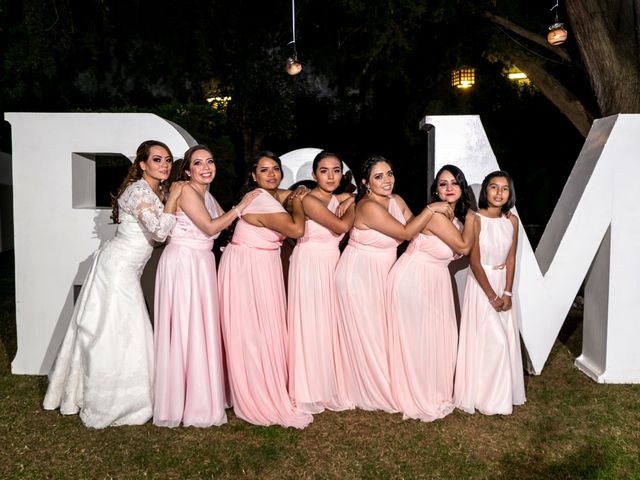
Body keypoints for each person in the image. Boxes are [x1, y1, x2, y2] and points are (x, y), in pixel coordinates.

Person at [43, 140, 184, 428]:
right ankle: (114, 398)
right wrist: (173, 200)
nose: (165, 165)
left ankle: (137, 393)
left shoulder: (157, 190)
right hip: (117, 267)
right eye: (157, 160)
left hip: (128, 268)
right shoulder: (137, 192)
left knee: (125, 328)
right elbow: (158, 233)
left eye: (168, 160)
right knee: (117, 331)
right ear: (142, 164)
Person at [334, 155, 451, 412]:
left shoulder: (396, 200)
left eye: (389, 174)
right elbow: (406, 233)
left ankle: (395, 383)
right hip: (359, 274)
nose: (387, 180)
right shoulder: (368, 207)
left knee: (384, 331)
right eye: (379, 176)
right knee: (370, 334)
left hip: (383, 270)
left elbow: (415, 227)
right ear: (366, 182)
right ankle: (377, 391)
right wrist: (431, 209)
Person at [153, 145, 259, 428]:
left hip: (200, 263)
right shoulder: (187, 190)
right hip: (184, 263)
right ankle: (187, 400)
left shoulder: (206, 194)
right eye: (198, 163)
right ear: (187, 170)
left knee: (199, 327)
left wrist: (274, 200)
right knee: (188, 327)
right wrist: (242, 204)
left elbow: (228, 222)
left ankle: (201, 391)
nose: (206, 167)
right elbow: (213, 227)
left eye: (210, 161)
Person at [218, 150, 313, 428]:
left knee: (263, 329)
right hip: (247, 268)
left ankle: (260, 383)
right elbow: (296, 230)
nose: (271, 174)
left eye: (275, 169)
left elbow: (285, 194)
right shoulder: (259, 200)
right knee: (251, 333)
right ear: (253, 176)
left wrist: (298, 191)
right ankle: (257, 393)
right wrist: (297, 202)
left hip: (261, 264)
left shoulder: (269, 195)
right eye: (264, 170)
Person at [387, 165, 475, 422]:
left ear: (461, 187)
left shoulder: (452, 218)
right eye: (443, 184)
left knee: (438, 335)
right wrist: (472, 217)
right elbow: (463, 246)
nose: (448, 189)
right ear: (435, 189)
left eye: (454, 183)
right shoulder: (437, 216)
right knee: (419, 338)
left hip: (435, 280)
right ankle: (418, 393)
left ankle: (434, 388)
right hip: (414, 278)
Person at [288, 151, 355, 414]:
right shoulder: (309, 199)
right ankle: (310, 388)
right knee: (311, 323)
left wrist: (352, 199)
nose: (330, 176)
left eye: (336, 170)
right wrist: (354, 207)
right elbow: (340, 227)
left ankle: (329, 383)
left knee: (329, 324)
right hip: (310, 265)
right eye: (324, 170)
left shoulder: (339, 198)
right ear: (314, 174)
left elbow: (356, 197)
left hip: (331, 263)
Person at [454, 170, 526, 415]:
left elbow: (512, 257)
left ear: (510, 193)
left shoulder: (511, 221)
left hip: (501, 282)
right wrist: (492, 296)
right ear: (485, 190)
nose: (499, 193)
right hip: (481, 284)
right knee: (495, 342)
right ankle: (489, 399)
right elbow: (474, 262)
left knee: (500, 339)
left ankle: (497, 393)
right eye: (494, 187)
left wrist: (507, 293)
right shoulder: (474, 218)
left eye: (504, 188)